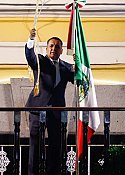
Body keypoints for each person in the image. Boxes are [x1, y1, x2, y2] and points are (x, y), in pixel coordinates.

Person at [25, 29, 74, 175]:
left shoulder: (66, 67)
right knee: (35, 145)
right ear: (46, 49)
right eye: (51, 46)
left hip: (57, 112)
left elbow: (77, 78)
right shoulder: (40, 61)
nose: (53, 48)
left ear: (61, 50)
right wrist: (31, 40)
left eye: (57, 46)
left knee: (56, 146)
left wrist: (80, 64)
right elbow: (29, 56)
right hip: (37, 109)